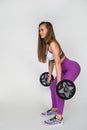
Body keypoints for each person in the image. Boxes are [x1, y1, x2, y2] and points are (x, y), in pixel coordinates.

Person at [37, 21, 81, 125]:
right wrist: (49, 75)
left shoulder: (53, 44)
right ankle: (55, 108)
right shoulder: (46, 45)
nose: (40, 32)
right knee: (52, 86)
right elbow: (51, 61)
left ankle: (59, 118)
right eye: (39, 30)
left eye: (42, 30)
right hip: (62, 68)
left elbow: (57, 62)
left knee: (60, 89)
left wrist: (59, 80)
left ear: (49, 30)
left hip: (72, 68)